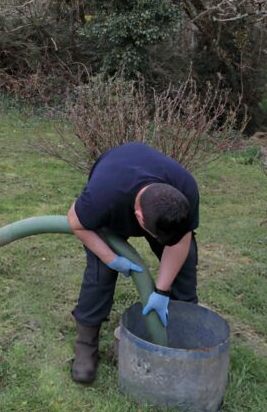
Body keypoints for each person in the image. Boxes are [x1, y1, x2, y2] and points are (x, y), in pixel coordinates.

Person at [67, 142, 200, 383]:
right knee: (100, 275)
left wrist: (161, 289)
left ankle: (183, 332)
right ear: (138, 218)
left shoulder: (185, 189)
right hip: (113, 204)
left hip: (156, 207)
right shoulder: (102, 197)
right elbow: (74, 222)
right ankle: (85, 347)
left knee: (184, 267)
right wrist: (111, 258)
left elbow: (181, 243)